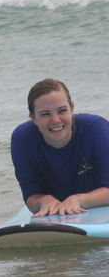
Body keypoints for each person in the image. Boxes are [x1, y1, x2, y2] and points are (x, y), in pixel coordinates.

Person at [10, 78, 109, 217]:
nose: (56, 120)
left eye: (62, 111)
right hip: (61, 211)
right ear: (33, 118)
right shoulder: (22, 138)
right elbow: (31, 197)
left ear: (72, 109)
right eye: (45, 114)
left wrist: (78, 199)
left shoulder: (97, 128)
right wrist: (44, 200)